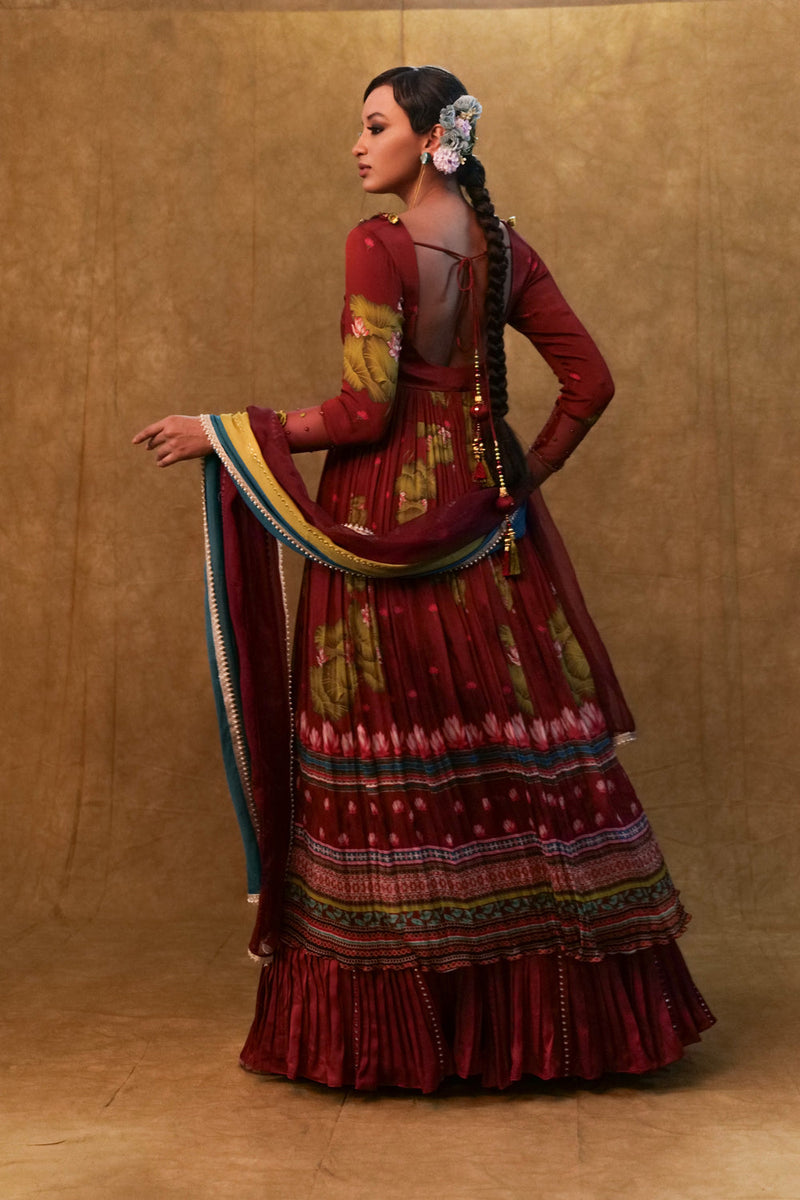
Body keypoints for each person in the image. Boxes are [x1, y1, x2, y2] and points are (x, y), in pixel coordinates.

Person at [134, 65, 714, 1091]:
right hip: (488, 529)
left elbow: (361, 415)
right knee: (504, 760)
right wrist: (518, 477)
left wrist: (227, 432)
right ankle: (561, 1030)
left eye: (373, 127)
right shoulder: (500, 246)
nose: (357, 147)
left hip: (379, 525)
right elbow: (590, 381)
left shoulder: (382, 246)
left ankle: (398, 1039)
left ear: (428, 139)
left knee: (386, 763)